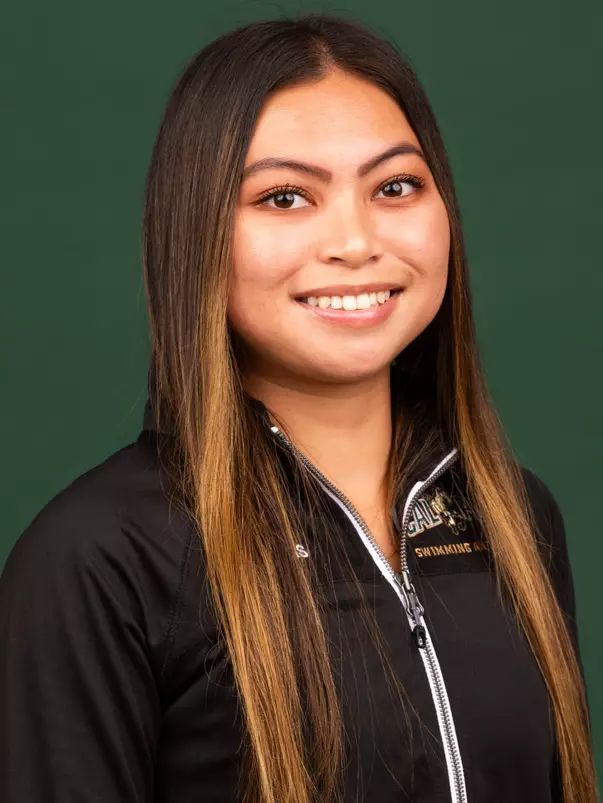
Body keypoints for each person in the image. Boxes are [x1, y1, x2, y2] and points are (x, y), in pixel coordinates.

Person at [0, 12, 597, 803]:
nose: (354, 241)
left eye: (394, 186)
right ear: (196, 233)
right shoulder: (100, 559)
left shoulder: (514, 516)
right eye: (284, 198)